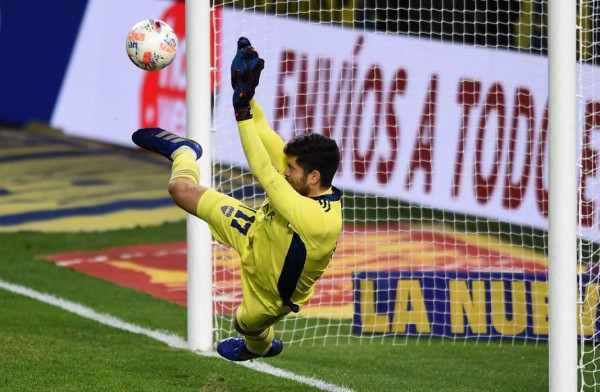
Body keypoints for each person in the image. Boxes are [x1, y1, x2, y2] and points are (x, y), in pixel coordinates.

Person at [131, 37, 343, 361]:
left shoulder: (319, 220)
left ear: (314, 178)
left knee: (246, 325)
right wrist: (247, 96)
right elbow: (264, 130)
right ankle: (185, 153)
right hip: (254, 229)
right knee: (180, 191)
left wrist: (240, 111)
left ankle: (260, 346)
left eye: (292, 169)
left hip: (271, 293)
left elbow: (264, 172)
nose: (285, 171)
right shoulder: (303, 179)